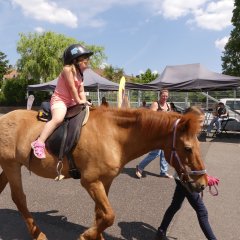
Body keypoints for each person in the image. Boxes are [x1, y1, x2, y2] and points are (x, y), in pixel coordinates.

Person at [156, 106, 219, 240]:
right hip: (186, 178)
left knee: (175, 205)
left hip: (182, 177)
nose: (202, 124)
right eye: (200, 121)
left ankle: (161, 231)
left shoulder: (191, 136)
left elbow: (193, 162)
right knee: (202, 212)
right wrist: (204, 176)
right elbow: (184, 162)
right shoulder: (184, 136)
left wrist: (205, 175)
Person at [31, 44, 93, 159]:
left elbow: (81, 91)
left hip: (72, 101)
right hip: (60, 100)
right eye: (85, 59)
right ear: (75, 60)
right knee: (58, 119)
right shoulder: (67, 70)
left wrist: (84, 102)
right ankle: (39, 142)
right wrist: (79, 101)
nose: (88, 61)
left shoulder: (80, 74)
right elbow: (72, 88)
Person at [135, 89, 173, 179]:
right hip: (156, 132)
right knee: (155, 153)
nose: (165, 97)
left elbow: (170, 117)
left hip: (165, 132)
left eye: (166, 96)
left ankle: (163, 172)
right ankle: (139, 167)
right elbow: (151, 118)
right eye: (163, 96)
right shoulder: (155, 104)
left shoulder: (168, 105)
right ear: (160, 95)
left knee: (164, 153)